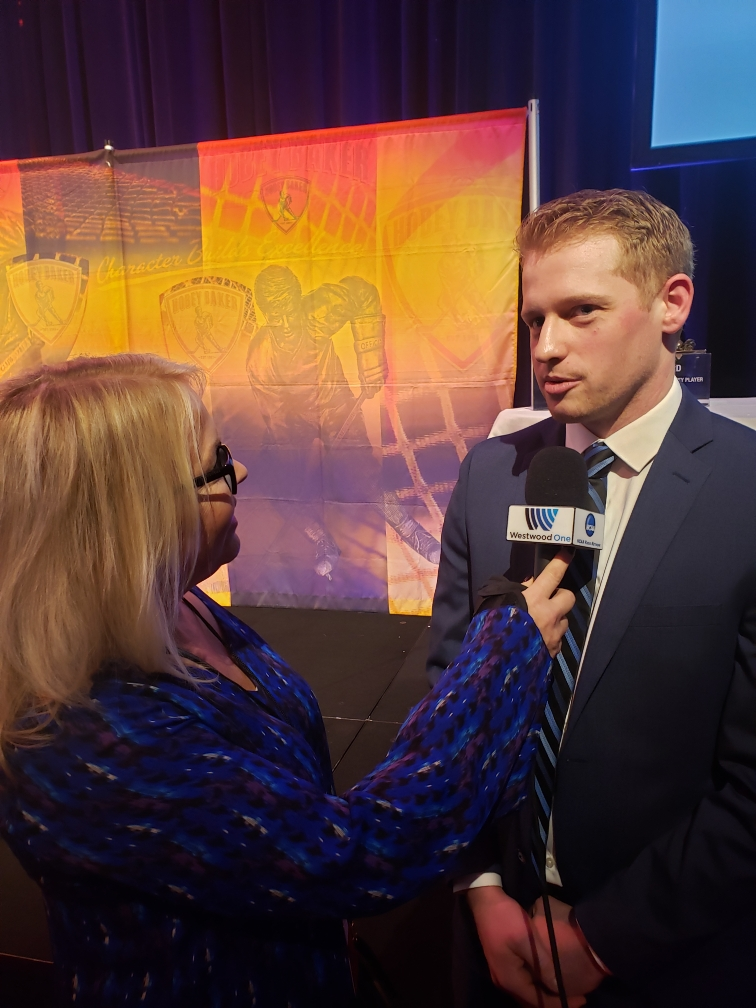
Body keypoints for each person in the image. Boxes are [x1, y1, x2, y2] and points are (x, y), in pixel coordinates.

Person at [0, 353, 574, 1008]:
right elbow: (355, 853)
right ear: (134, 518)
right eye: (215, 465)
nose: (239, 471)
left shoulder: (175, 604)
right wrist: (503, 650)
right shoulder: (87, 737)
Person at [427, 188, 756, 1007]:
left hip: (669, 957)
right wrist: (482, 885)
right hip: (494, 937)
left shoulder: (748, 490)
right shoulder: (488, 474)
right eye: (537, 319)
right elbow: (447, 697)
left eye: (582, 312)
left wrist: (604, 940)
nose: (548, 347)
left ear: (671, 303)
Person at [247, 264, 441, 579]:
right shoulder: (260, 356)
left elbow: (363, 294)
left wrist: (371, 361)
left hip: (337, 409)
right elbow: (277, 416)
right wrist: (294, 457)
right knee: (276, 482)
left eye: (288, 311)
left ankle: (411, 530)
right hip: (294, 420)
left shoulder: (318, 311)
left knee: (363, 476)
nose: (284, 323)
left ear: (298, 301)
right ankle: (323, 540)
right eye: (274, 315)